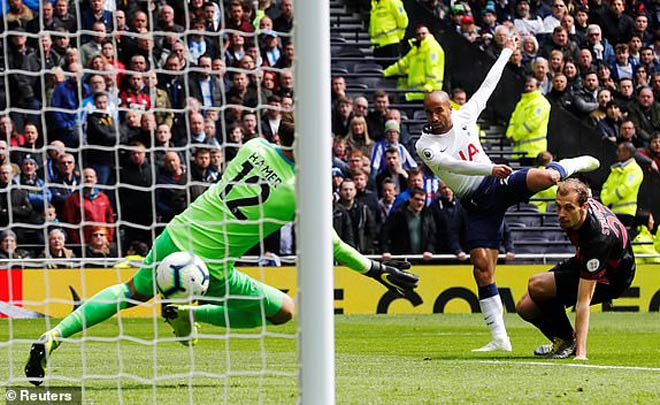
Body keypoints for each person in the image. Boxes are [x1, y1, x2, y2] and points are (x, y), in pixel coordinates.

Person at [25, 121, 419, 386]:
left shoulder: (253, 146)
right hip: (211, 268)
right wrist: (373, 268)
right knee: (285, 311)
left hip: (176, 236)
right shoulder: (301, 189)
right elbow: (330, 244)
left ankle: (55, 334)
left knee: (129, 293)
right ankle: (190, 313)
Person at [416, 35, 600, 352]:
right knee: (482, 269)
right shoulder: (425, 146)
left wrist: (504, 53)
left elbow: (487, 86)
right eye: (429, 112)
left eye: (438, 111)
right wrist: (489, 168)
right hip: (477, 204)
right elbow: (452, 165)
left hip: (497, 184)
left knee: (544, 177)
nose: (434, 117)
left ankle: (573, 163)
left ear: (449, 108)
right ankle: (500, 338)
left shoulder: (464, 116)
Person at [516, 179, 636, 359]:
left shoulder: (597, 239)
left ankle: (570, 343)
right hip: (584, 258)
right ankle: (564, 341)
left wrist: (582, 354)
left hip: (612, 278)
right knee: (525, 307)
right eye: (558, 207)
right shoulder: (582, 201)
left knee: (538, 285)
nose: (561, 214)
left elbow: (583, 303)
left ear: (584, 206)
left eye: (569, 208)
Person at [506, 77, 551, 164]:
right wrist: (509, 134)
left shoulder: (541, 102)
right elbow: (513, 119)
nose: (528, 88)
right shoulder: (521, 103)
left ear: (537, 87)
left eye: (531, 86)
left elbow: (532, 123)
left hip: (535, 150)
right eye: (526, 86)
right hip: (521, 149)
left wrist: (515, 136)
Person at [600, 142, 643, 232]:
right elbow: (606, 185)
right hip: (611, 211)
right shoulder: (615, 169)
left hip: (626, 213)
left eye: (619, 151)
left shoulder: (635, 170)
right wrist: (604, 198)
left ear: (627, 153)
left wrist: (606, 199)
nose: (617, 153)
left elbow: (625, 189)